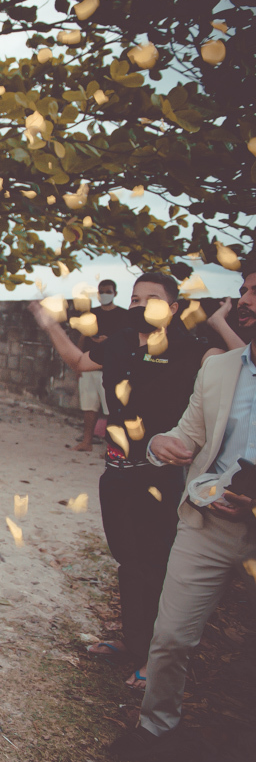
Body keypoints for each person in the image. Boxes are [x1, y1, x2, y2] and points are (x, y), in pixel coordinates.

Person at [29, 274, 241, 689]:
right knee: (128, 560)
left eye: (153, 299)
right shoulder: (123, 340)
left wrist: (218, 324)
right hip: (115, 472)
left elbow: (244, 365)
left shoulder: (193, 349)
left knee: (154, 565)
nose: (141, 305)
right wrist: (48, 322)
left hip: (159, 478)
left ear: (174, 307)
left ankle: (152, 659)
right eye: (135, 297)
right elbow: (78, 361)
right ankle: (133, 641)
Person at [109, 261, 256, 760]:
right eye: (244, 291)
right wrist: (161, 444)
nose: (243, 303)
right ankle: (155, 728)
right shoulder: (219, 369)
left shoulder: (196, 352)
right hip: (204, 520)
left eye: (255, 292)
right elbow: (185, 434)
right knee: (171, 637)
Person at [73, 279, 128, 452]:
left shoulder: (124, 316)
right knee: (89, 407)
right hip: (89, 365)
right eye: (102, 291)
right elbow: (82, 337)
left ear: (115, 293)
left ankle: (112, 448)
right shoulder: (91, 314)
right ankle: (87, 441)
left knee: (112, 410)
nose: (105, 295)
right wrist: (78, 364)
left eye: (108, 291)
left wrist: (108, 341)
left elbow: (127, 341)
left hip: (110, 368)